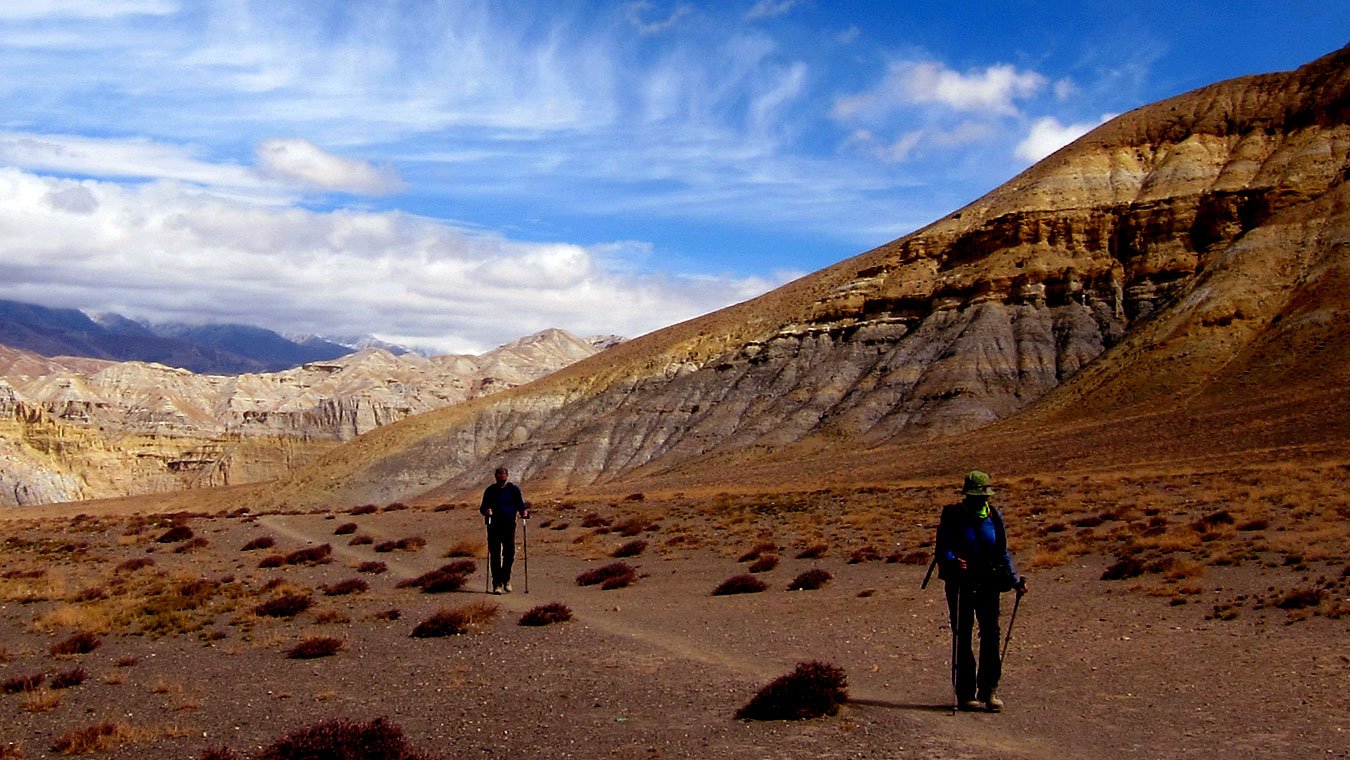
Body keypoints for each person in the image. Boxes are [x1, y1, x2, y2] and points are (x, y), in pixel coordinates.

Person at [934, 470, 1028, 713]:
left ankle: (989, 690)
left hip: (988, 580)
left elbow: (1002, 551)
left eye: (983, 496)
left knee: (991, 634)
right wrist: (953, 559)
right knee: (962, 635)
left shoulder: (994, 515)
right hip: (960, 581)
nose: (981, 500)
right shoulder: (953, 514)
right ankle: (965, 693)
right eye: (977, 496)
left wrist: (1015, 579)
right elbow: (942, 549)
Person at [479, 466, 528, 594]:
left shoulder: (513, 490)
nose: (501, 477)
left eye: (503, 474)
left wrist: (524, 512)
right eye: (499, 475)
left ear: (507, 476)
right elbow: (483, 507)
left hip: (509, 525)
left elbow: (520, 504)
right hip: (493, 526)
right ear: (496, 476)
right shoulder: (490, 490)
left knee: (509, 553)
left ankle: (506, 579)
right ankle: (497, 584)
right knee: (495, 554)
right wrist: (486, 511)